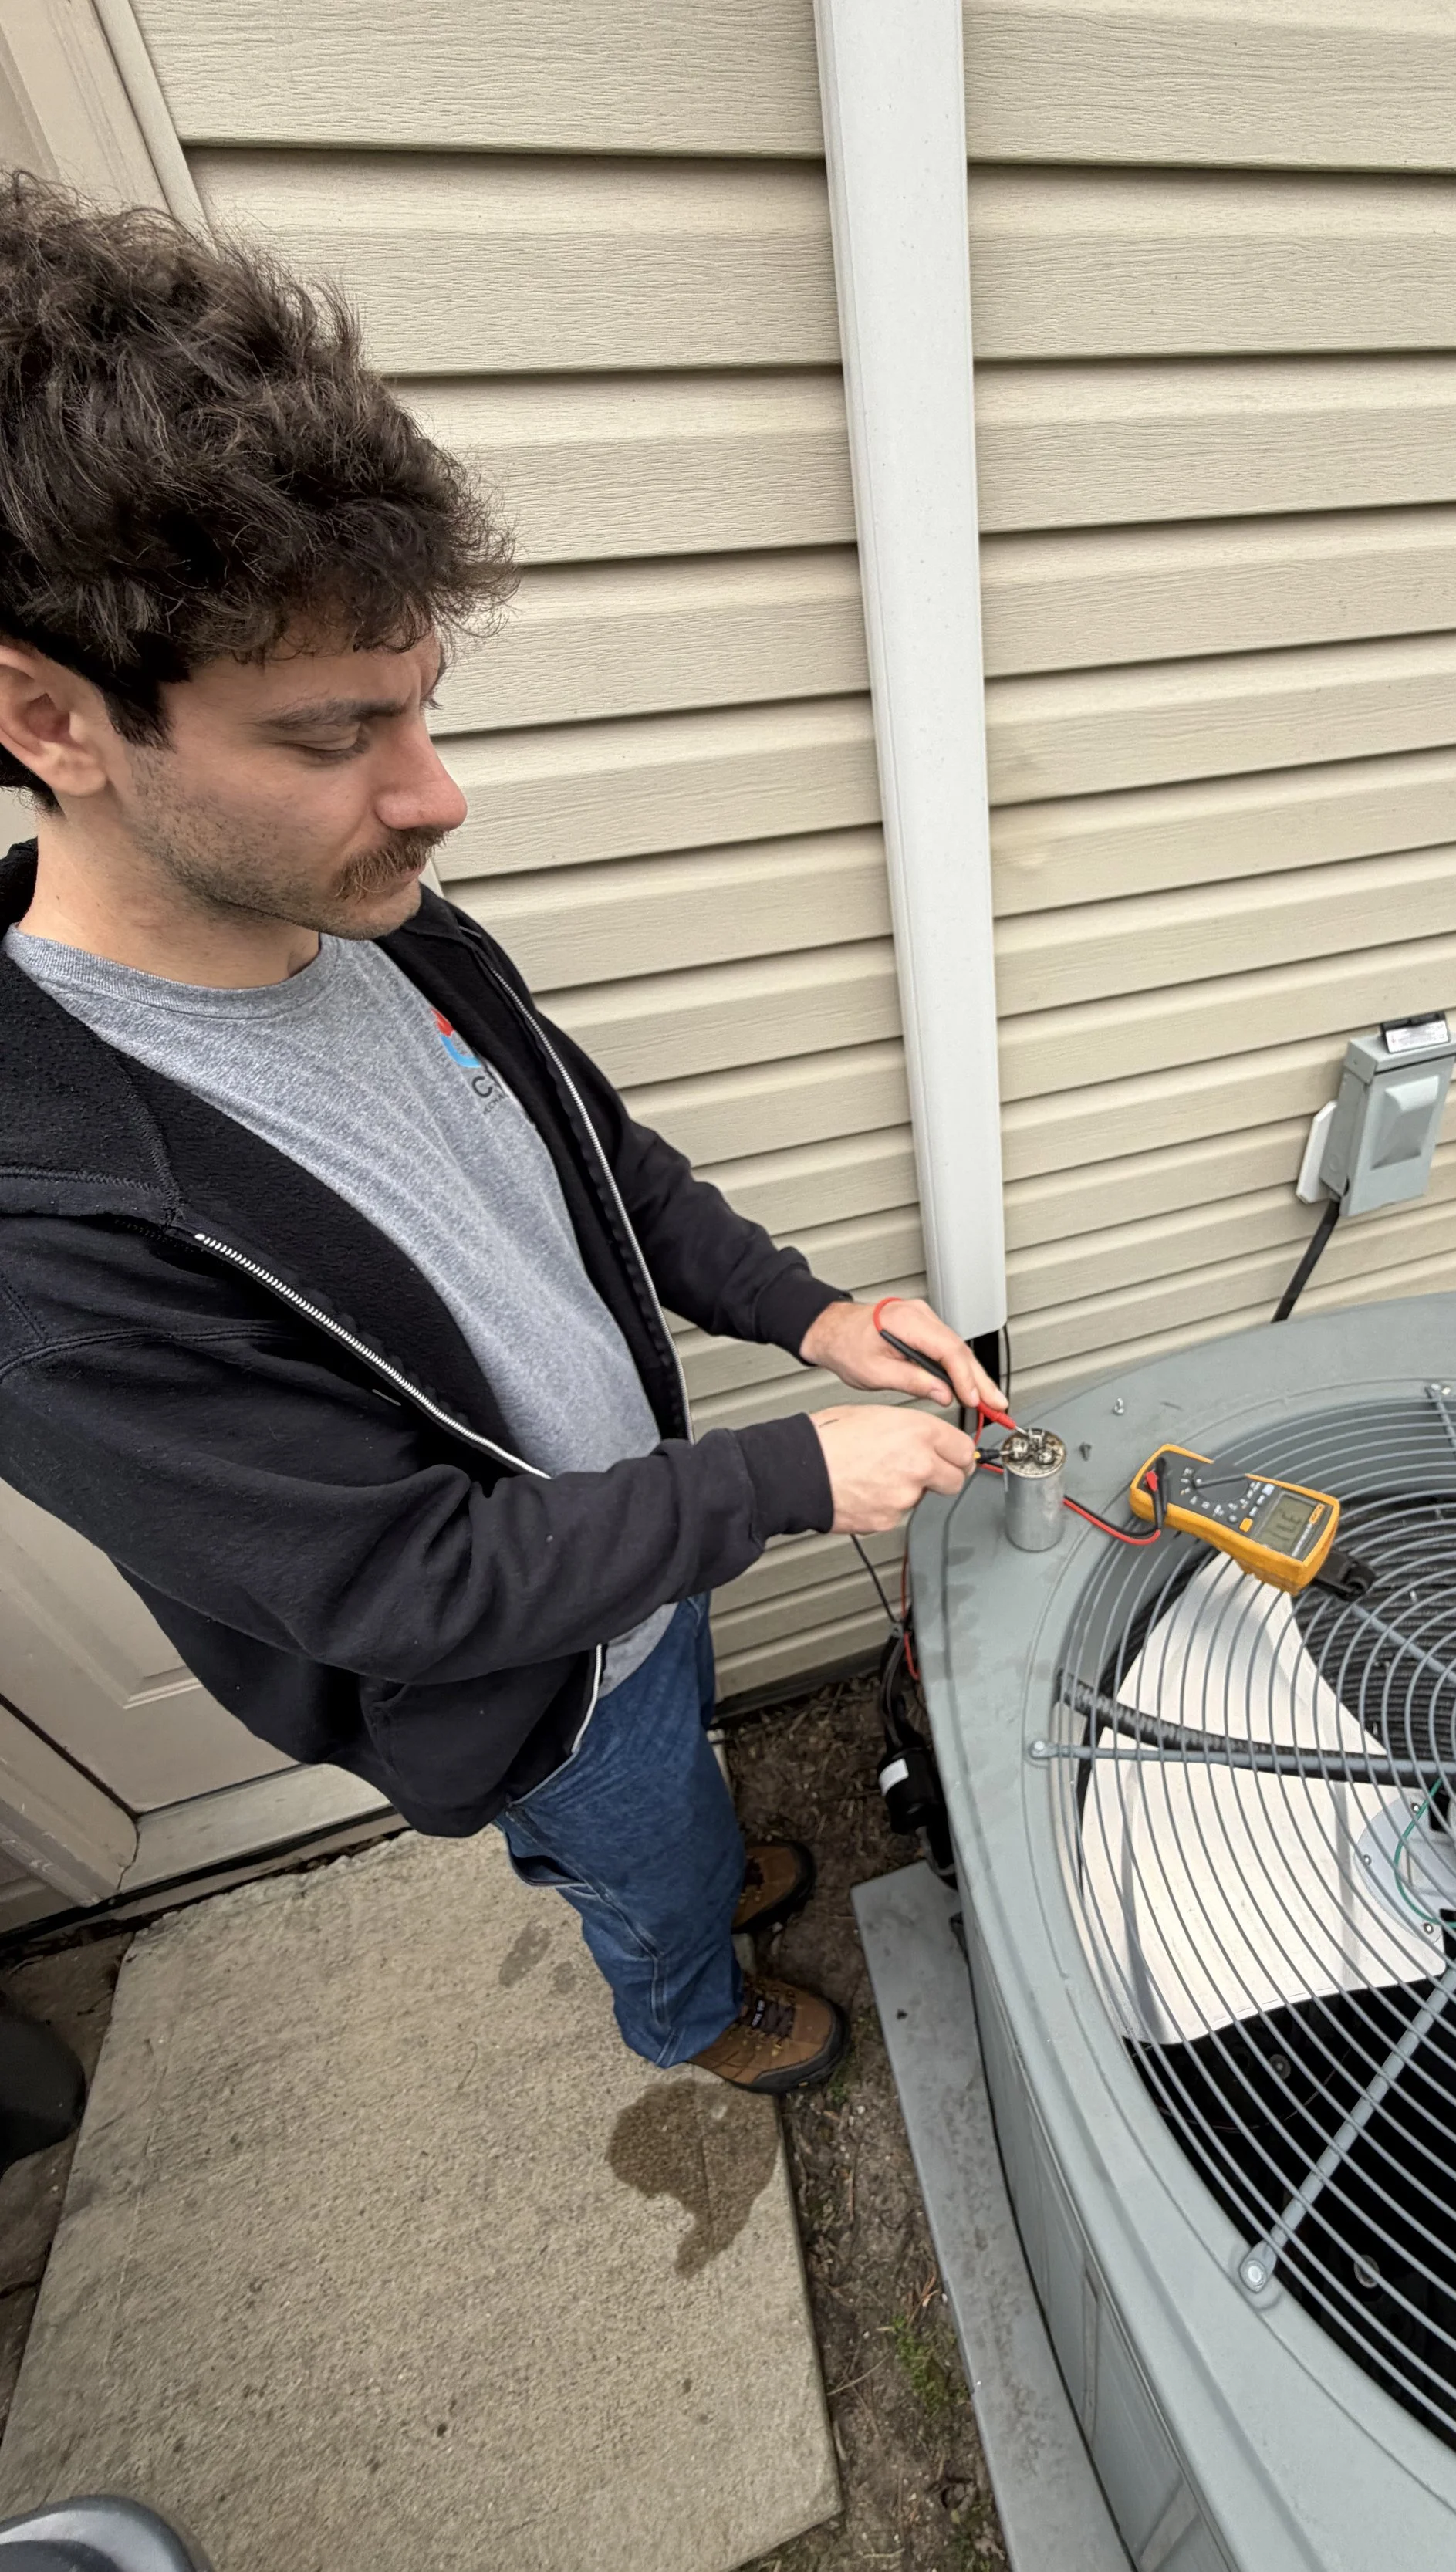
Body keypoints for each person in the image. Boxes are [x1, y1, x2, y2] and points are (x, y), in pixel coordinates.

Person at [0, 175, 995, 2093]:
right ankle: (694, 2007)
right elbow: (404, 1587)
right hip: (528, 1684)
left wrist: (807, 1318)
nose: (433, 791)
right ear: (54, 716)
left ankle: (696, 1876)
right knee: (633, 1846)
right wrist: (784, 1479)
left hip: (636, 1565)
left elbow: (593, 1168)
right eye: (327, 732)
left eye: (424, 709)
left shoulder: (376, 910)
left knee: (682, 1794)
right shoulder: (52, 1236)